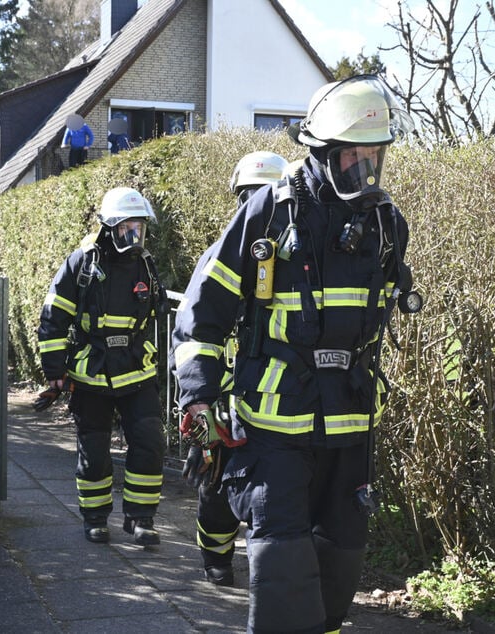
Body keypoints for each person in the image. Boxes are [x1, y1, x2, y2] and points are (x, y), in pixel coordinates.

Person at [170, 74, 418, 633]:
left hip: (350, 427)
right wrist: (200, 400)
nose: (365, 171)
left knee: (339, 568)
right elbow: (201, 316)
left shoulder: (386, 225)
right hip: (274, 429)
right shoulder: (268, 214)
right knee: (282, 571)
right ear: (321, 152)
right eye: (352, 157)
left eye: (373, 158)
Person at [179, 150, 288, 587]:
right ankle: (216, 558)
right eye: (249, 197)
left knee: (273, 489)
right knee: (214, 482)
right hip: (223, 397)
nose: (256, 207)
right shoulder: (218, 256)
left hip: (274, 395)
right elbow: (193, 328)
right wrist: (198, 398)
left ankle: (274, 569)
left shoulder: (300, 258)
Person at [38, 186, 169, 546]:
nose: (134, 236)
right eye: (126, 228)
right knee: (94, 453)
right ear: (109, 228)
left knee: (150, 442)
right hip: (91, 373)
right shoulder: (81, 263)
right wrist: (55, 372)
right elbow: (53, 318)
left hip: (136, 370)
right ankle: (95, 518)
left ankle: (141, 518)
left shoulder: (145, 263)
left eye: (139, 228)